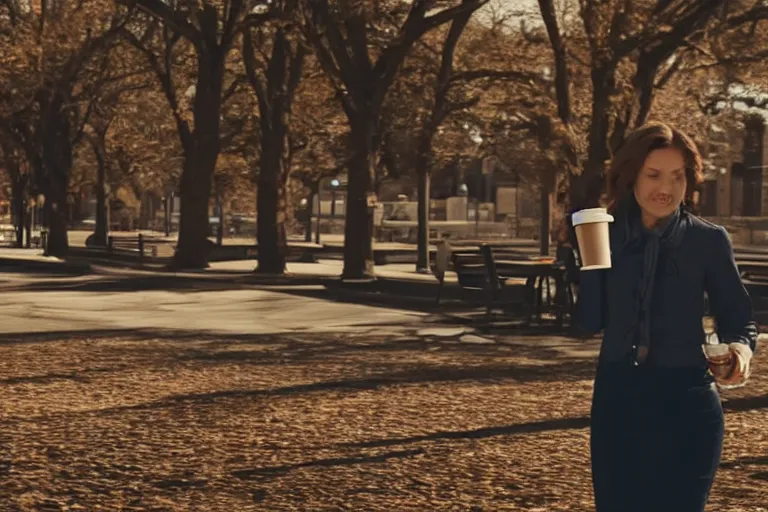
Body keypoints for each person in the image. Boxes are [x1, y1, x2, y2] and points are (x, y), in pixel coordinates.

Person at [573, 122, 757, 512]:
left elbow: (738, 317)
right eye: (653, 174)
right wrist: (590, 264)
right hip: (619, 401)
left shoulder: (708, 240)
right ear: (631, 176)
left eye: (678, 176)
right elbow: (589, 323)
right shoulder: (604, 234)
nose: (666, 188)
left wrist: (739, 353)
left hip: (688, 404)